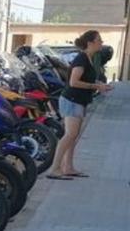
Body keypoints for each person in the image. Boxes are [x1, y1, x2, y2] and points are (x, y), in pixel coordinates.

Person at [45, 30, 114, 180]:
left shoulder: (89, 58)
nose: (101, 43)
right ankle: (55, 168)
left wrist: (99, 84)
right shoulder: (81, 59)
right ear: (90, 43)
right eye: (99, 40)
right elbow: (74, 82)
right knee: (69, 135)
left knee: (73, 136)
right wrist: (95, 87)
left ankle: (68, 167)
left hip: (79, 101)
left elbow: (85, 78)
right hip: (72, 100)